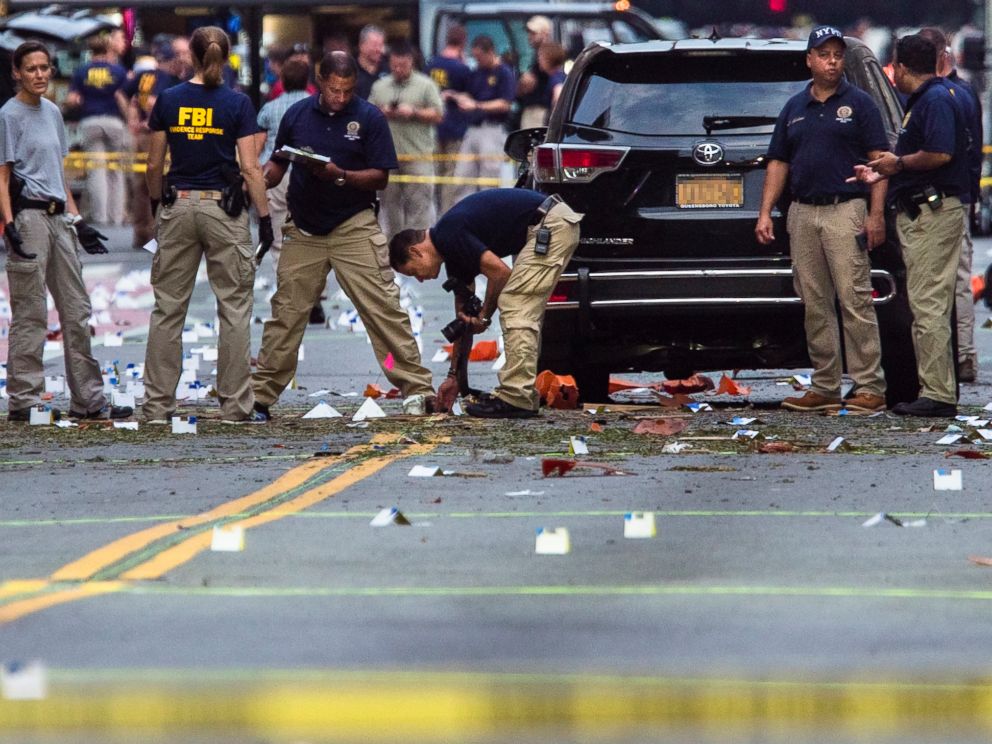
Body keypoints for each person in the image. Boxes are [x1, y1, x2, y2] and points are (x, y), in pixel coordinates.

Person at [252, 51, 434, 419]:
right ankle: (261, 395)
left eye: (347, 90)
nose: (339, 97)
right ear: (320, 81)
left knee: (383, 308)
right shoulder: (296, 114)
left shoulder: (369, 117)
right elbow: (278, 161)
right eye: (334, 89)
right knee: (286, 312)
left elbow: (381, 175)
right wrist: (260, 178)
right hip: (303, 226)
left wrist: (341, 175)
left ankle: (417, 388)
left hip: (353, 223)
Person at [755, 25, 889, 413]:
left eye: (837, 55)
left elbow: (880, 161)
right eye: (824, 55)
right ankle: (825, 384)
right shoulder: (795, 107)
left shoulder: (860, 104)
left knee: (854, 300)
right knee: (814, 303)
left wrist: (876, 214)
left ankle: (869, 387)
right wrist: (766, 212)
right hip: (803, 212)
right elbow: (778, 161)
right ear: (809, 60)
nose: (832, 62)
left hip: (845, 209)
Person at [143, 26, 273, 424]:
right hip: (223, 210)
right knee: (233, 307)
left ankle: (157, 406)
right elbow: (250, 168)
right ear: (227, 55)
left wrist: (155, 201)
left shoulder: (168, 99)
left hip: (179, 204)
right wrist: (264, 218)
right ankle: (235, 405)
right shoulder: (237, 104)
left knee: (168, 308)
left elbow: (153, 164)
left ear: (193, 58)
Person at [1, 40, 131, 422]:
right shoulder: (8, 115)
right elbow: (3, 175)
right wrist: (8, 227)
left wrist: (78, 220)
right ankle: (24, 399)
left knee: (77, 310)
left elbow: (58, 173)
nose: (40, 75)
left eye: (45, 68)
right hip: (28, 218)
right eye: (31, 69)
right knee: (31, 311)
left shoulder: (54, 112)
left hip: (60, 218)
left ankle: (88, 400)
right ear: (17, 73)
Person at [851, 33, 970, 417]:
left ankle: (937, 394)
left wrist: (896, 164)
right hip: (928, 210)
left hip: (932, 213)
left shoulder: (933, 101)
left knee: (928, 305)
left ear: (900, 68)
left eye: (894, 67)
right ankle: (934, 388)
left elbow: (939, 153)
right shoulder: (939, 97)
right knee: (927, 302)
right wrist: (881, 170)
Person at [389, 188, 582, 418]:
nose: (420, 280)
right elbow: (463, 321)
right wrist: (455, 379)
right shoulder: (451, 251)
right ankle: (521, 394)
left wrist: (485, 314)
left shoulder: (449, 234)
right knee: (520, 304)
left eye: (413, 273)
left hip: (551, 223)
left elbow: (500, 273)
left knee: (515, 301)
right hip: (546, 224)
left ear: (415, 251)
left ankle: (517, 398)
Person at [920, 27, 983, 383]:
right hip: (959, 195)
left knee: (939, 281)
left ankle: (956, 356)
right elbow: (974, 150)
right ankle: (963, 355)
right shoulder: (964, 93)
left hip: (942, 195)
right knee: (956, 278)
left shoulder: (937, 95)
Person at [368, 40, 443, 238]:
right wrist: (382, 112)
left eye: (402, 65)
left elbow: (438, 115)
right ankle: (394, 248)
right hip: (388, 157)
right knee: (389, 206)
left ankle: (418, 246)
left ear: (411, 62)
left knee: (419, 206)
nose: (398, 69)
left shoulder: (426, 85)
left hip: (418, 155)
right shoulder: (380, 86)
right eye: (394, 66)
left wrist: (414, 112)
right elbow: (368, 115)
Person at [66, 34, 129, 226]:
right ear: (108, 49)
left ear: (90, 51)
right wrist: (129, 121)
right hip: (114, 121)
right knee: (116, 171)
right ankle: (116, 217)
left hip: (90, 121)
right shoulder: (118, 70)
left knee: (96, 170)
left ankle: (100, 216)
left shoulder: (81, 71)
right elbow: (122, 97)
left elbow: (72, 99)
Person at [255, 57, 311, 269]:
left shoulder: (269, 108)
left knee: (279, 236)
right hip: (307, 172)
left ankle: (285, 284)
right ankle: (315, 292)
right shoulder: (315, 105)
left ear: (283, 81)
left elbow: (258, 145)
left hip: (274, 172)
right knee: (309, 233)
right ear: (307, 81)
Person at [119, 47, 176, 250]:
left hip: (142, 135)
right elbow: (153, 102)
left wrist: (132, 119)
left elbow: (123, 95)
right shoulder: (164, 77)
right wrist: (151, 121)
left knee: (140, 185)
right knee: (158, 182)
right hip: (156, 133)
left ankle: (140, 232)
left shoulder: (143, 75)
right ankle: (155, 233)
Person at [450, 35, 515, 204]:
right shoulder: (477, 73)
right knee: (462, 177)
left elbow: (505, 104)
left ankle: (488, 214)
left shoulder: (504, 73)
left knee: (489, 178)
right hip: (473, 128)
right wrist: (457, 96)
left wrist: (477, 106)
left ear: (490, 52)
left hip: (492, 129)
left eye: (480, 57)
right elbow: (470, 94)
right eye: (475, 57)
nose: (477, 60)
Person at [425, 23, 471, 216]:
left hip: (433, 127)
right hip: (455, 127)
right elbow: (468, 98)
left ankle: (432, 212)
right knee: (450, 175)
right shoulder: (461, 69)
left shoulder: (431, 64)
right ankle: (445, 213)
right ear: (463, 41)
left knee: (433, 173)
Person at [516, 15, 553, 129]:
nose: (529, 37)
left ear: (545, 34)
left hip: (539, 111)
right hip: (531, 109)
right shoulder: (536, 55)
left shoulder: (549, 54)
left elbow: (530, 82)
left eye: (534, 33)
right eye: (529, 33)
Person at [355, 25, 387, 100]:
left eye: (381, 45)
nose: (379, 49)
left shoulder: (388, 69)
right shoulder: (350, 70)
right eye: (375, 45)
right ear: (361, 45)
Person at [537, 41, 567, 119]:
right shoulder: (560, 75)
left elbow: (558, 94)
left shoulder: (556, 77)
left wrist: (553, 117)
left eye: (541, 56)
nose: (539, 60)